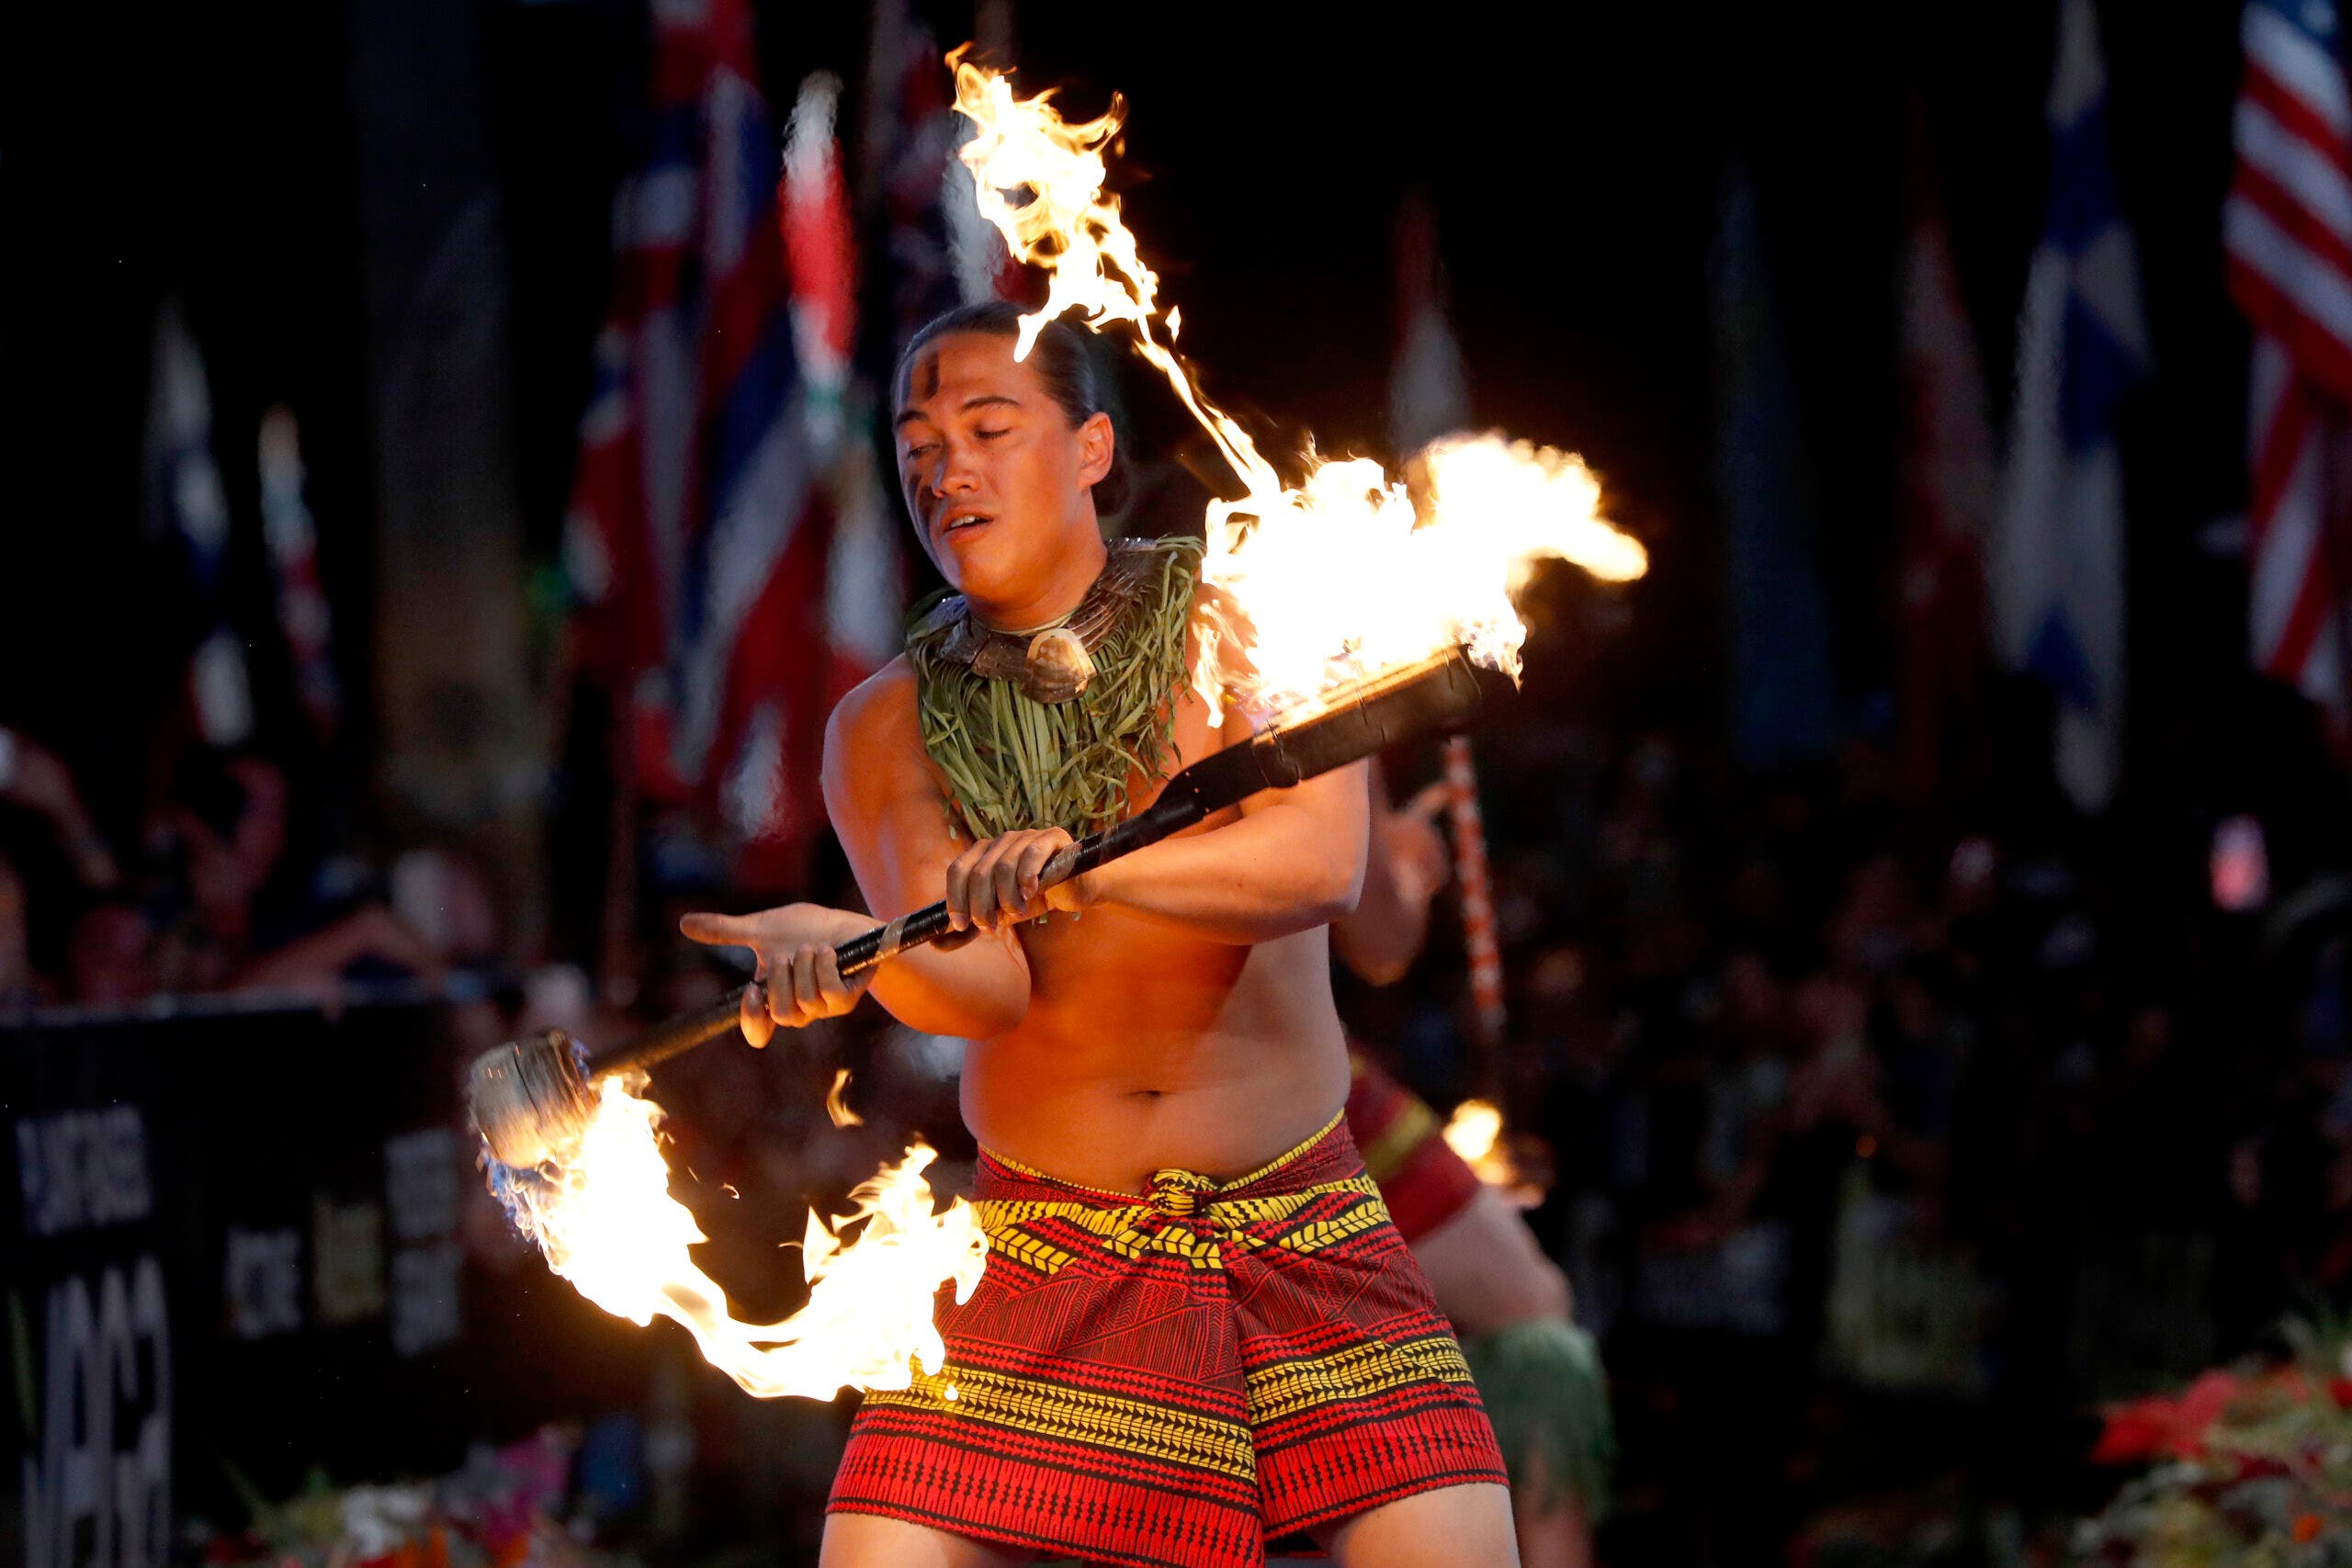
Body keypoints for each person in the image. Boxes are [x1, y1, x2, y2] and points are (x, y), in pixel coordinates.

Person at [683, 300, 1515, 1568]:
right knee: (873, 1551)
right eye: (916, 441)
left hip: (1300, 1225)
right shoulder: (886, 721)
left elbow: (1318, 861)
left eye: (986, 425)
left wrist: (1083, 875)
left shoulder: (1247, 621)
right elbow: (981, 987)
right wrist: (856, 946)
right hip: (1042, 1238)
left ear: (1089, 447)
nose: (942, 466)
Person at [1334, 766, 1613, 1568]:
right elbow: (1381, 942)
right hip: (1282, 1095)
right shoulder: (1276, 674)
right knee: (1532, 1312)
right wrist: (1405, 866)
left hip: (1064, 1096)